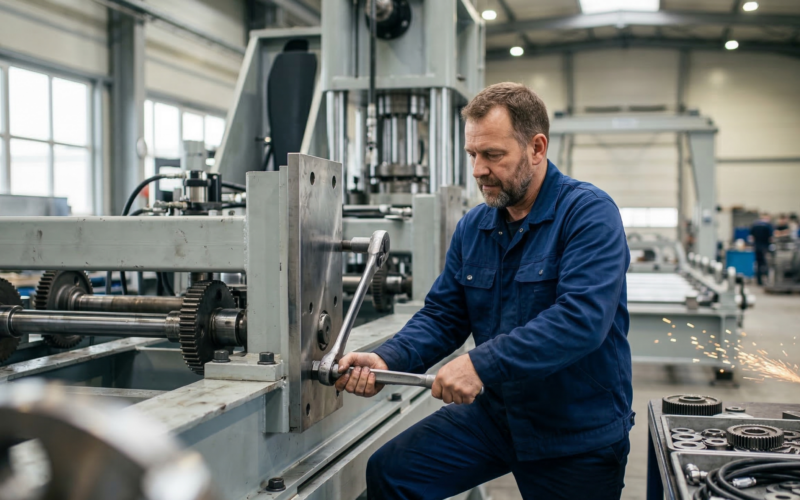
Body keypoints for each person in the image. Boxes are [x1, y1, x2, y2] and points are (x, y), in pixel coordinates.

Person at [336, 83, 633, 499]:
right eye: (472, 155)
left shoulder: (588, 214)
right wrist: (388, 358)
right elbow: (444, 315)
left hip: (575, 430)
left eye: (493, 155)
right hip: (498, 416)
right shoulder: (475, 227)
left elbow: (581, 320)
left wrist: (479, 365)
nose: (478, 170)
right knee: (391, 472)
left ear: (537, 148)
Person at [750, 213, 774, 285]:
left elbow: (751, 237)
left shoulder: (755, 225)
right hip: (765, 248)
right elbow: (771, 238)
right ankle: (766, 279)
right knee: (765, 264)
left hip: (757, 247)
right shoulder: (768, 226)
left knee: (758, 264)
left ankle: (759, 281)